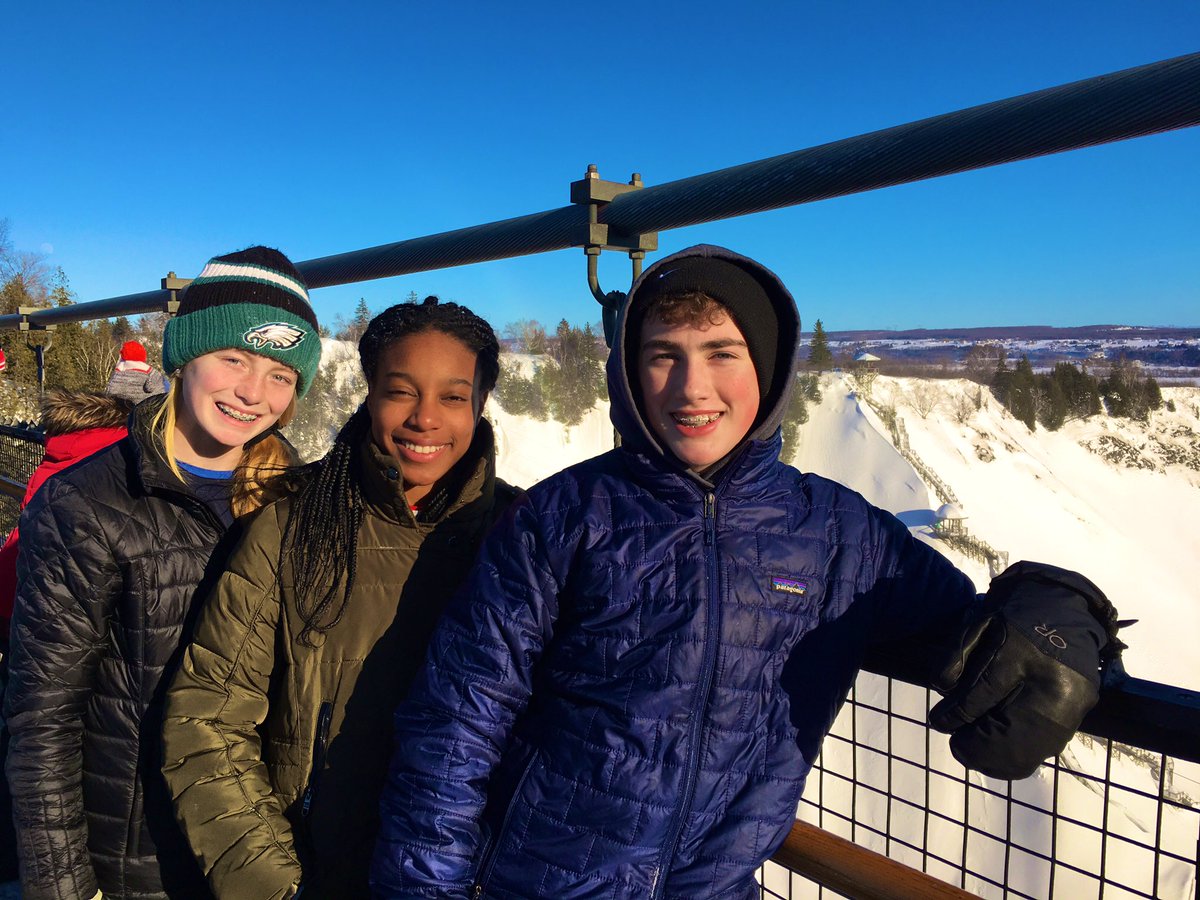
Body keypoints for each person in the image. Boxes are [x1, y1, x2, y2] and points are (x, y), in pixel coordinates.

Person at [370, 245, 1123, 899]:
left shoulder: (838, 534)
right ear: (631, 374)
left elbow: (975, 620)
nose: (692, 388)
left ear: (765, 368)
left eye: (721, 355)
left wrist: (1063, 606)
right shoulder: (563, 517)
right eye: (664, 355)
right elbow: (456, 722)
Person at [161, 298, 521, 899]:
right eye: (401, 391)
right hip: (313, 872)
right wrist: (276, 888)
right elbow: (208, 719)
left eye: (453, 397)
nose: (425, 419)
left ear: (481, 405)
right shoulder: (293, 527)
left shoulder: (524, 539)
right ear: (370, 394)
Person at [4, 246, 322, 900]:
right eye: (233, 359)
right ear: (184, 356)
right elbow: (42, 723)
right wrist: (65, 889)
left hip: (261, 852)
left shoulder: (294, 500)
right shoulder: (89, 504)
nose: (251, 392)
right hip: (134, 856)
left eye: (280, 375)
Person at [106, 339, 170, 403]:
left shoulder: (117, 375)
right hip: (151, 409)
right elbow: (165, 388)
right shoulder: (152, 373)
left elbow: (110, 394)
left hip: (122, 410)